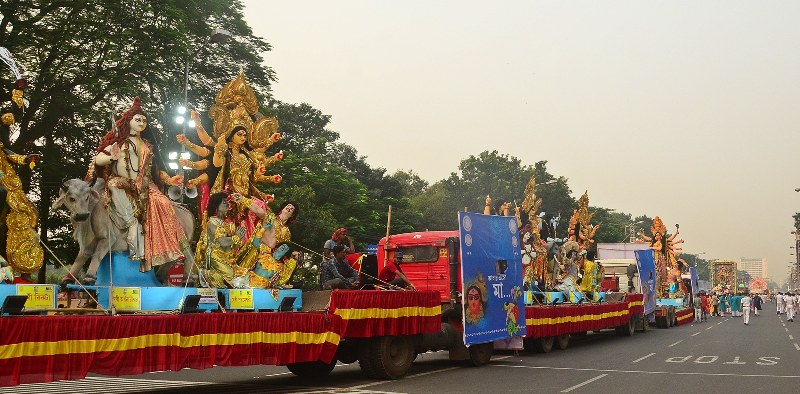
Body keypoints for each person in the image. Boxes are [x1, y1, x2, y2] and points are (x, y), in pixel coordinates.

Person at [91, 97, 189, 273]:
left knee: (163, 202)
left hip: (145, 184)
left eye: (144, 120)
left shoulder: (147, 146)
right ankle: (131, 224)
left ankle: (161, 249)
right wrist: (111, 157)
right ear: (129, 121)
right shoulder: (119, 142)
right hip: (123, 181)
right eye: (138, 119)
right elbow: (98, 159)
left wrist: (170, 180)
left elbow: (156, 170)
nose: (142, 123)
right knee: (113, 184)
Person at [200, 192, 245, 288]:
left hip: (228, 256)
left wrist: (240, 237)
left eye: (227, 202)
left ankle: (215, 277)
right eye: (224, 202)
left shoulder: (227, 224)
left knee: (241, 274)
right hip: (216, 256)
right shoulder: (211, 223)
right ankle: (206, 273)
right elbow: (222, 242)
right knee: (231, 276)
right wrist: (236, 237)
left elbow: (234, 247)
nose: (227, 204)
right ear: (216, 205)